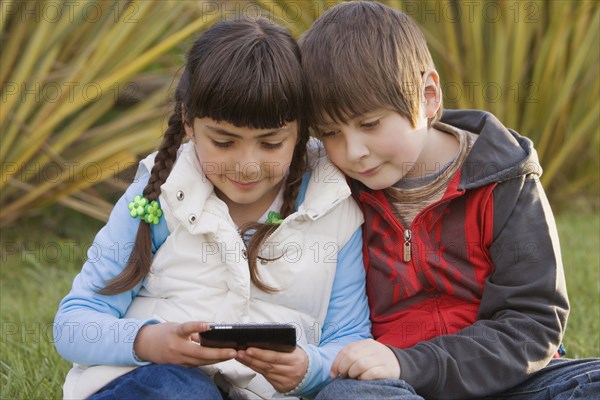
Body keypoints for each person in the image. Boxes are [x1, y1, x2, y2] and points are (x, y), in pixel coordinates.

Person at [54, 17, 371, 400]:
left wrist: (311, 368)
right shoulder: (160, 194)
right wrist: (148, 341)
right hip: (155, 385)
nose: (247, 165)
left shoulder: (332, 203)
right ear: (188, 123)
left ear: (301, 131)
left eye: (271, 144)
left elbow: (349, 337)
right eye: (223, 142)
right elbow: (73, 324)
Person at [298, 2, 600, 399]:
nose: (353, 151)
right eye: (331, 133)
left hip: (510, 380)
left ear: (427, 97)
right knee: (346, 395)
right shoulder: (334, 190)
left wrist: (415, 362)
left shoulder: (506, 181)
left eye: (369, 123)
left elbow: (533, 326)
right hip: (394, 384)